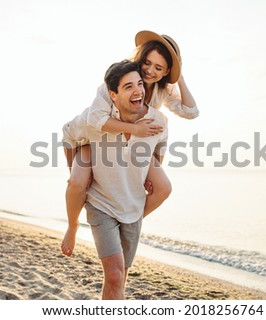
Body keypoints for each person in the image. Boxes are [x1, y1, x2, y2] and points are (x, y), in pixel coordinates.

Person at [61, 30, 198, 257]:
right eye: (147, 62)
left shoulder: (163, 89)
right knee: (77, 182)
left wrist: (179, 75)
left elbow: (191, 112)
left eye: (159, 67)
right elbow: (95, 120)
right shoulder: (119, 79)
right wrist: (137, 129)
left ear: (167, 71)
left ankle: (128, 218)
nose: (150, 71)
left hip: (130, 143)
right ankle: (73, 225)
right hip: (92, 136)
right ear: (141, 57)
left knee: (163, 187)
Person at [74, 60, 168, 299]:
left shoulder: (159, 121)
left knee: (120, 276)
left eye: (139, 83)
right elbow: (68, 135)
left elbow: (160, 146)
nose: (138, 90)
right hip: (100, 204)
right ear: (113, 95)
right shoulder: (96, 122)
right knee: (115, 275)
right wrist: (75, 172)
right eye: (128, 87)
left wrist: (151, 171)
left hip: (132, 207)